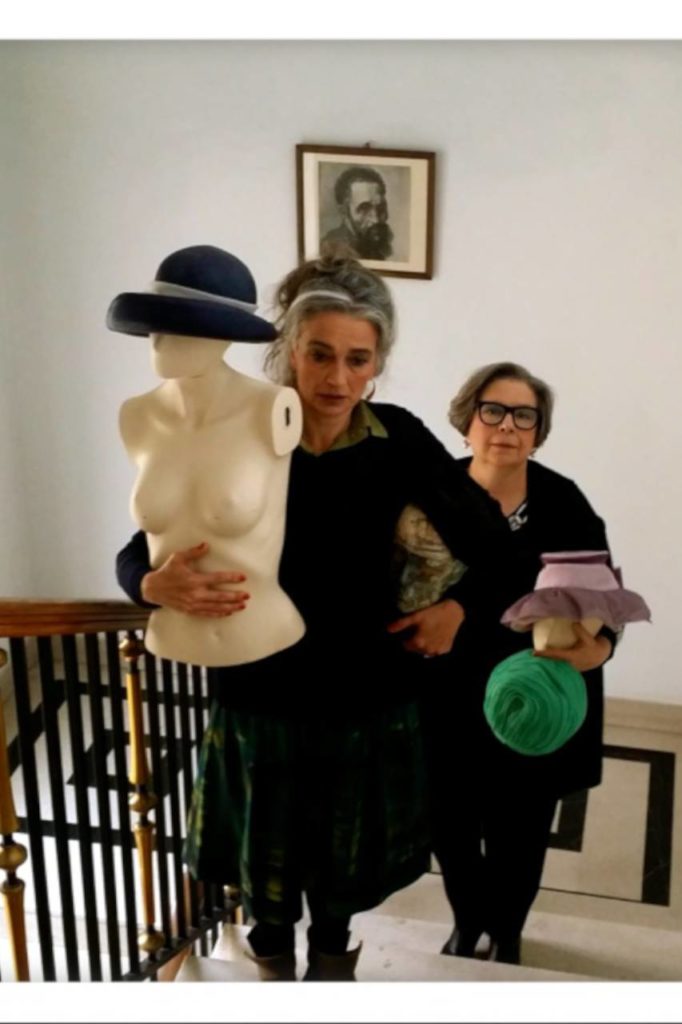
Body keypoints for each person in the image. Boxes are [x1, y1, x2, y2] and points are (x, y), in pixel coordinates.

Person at [115, 254, 510, 981]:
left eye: (358, 359)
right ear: (288, 350)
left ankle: (331, 969)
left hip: (366, 694)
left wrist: (460, 610)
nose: (336, 378)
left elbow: (499, 550)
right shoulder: (244, 424)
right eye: (319, 354)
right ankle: (271, 964)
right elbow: (141, 547)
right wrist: (147, 582)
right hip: (256, 688)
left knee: (337, 886)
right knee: (265, 888)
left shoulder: (397, 440)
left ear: (378, 364)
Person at [422, 361, 619, 967]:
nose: (506, 426)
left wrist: (601, 647)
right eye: (493, 411)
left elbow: (603, 597)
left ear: (538, 432)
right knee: (449, 820)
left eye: (523, 416)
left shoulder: (565, 503)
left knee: (523, 824)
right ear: (467, 421)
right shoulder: (434, 494)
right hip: (447, 684)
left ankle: (507, 931)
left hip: (536, 688)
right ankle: (467, 920)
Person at [109, 244, 306, 669]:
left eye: (184, 326)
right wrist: (142, 583)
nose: (159, 339)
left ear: (225, 335)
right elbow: (140, 544)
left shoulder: (271, 408)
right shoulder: (136, 417)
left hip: (263, 632)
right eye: (158, 323)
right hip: (171, 636)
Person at [320, 166, 393, 260]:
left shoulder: (381, 245)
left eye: (380, 207)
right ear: (343, 211)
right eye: (364, 208)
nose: (376, 219)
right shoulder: (330, 248)